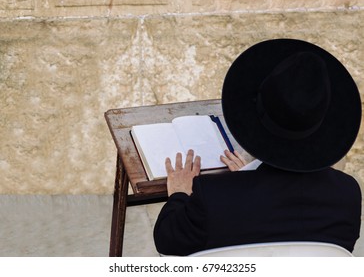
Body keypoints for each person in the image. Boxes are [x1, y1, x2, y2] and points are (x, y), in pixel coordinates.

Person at [153, 39, 362, 256]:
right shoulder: (347, 195)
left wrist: (179, 194)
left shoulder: (213, 197)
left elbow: (167, 240)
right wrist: (245, 179)